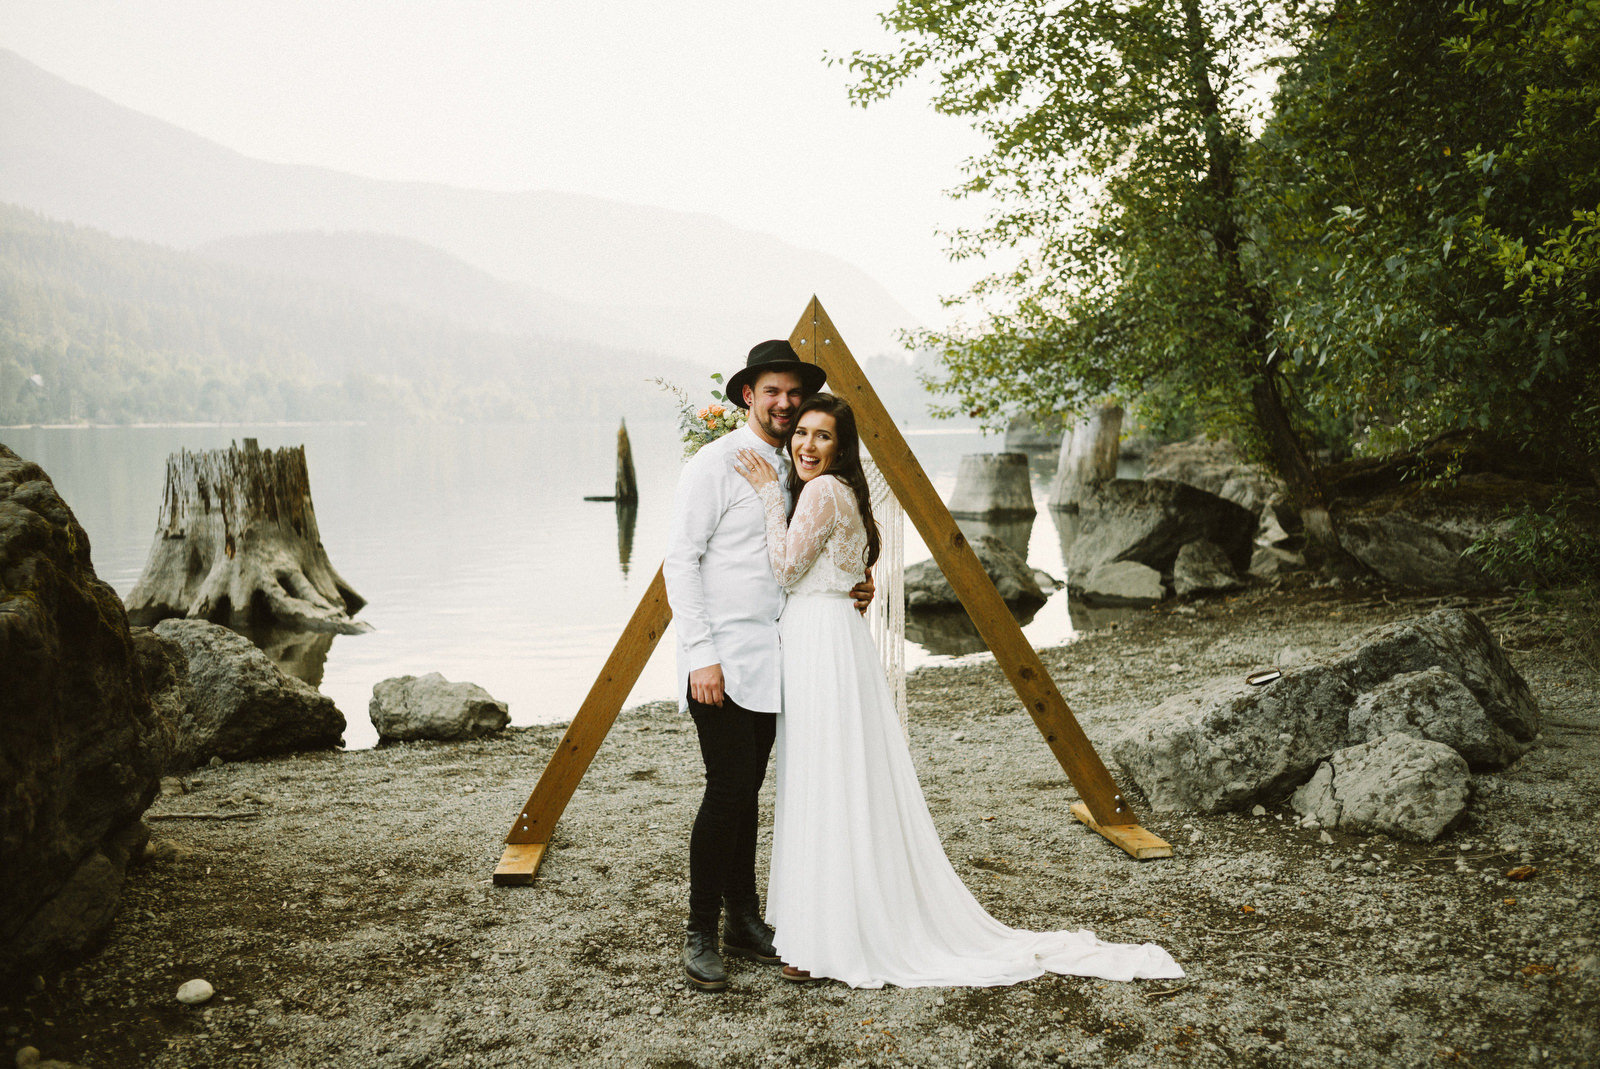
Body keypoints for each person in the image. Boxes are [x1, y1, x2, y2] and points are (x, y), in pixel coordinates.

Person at [733, 393, 1184, 988]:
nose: (805, 445)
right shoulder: (843, 495)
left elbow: (787, 570)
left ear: (841, 449)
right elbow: (845, 569)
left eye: (822, 437)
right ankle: (831, 925)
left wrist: (769, 494)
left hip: (820, 644)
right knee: (839, 779)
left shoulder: (817, 492)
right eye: (802, 434)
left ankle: (826, 938)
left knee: (822, 779)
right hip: (835, 639)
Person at [662, 340, 874, 992]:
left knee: (749, 791)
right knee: (727, 789)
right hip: (721, 661)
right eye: (772, 391)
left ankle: (743, 919)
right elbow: (681, 561)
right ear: (748, 395)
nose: (784, 404)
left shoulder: (794, 466)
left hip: (779, 661)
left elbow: (811, 548)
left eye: (793, 393)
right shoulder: (713, 466)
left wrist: (850, 586)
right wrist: (701, 656)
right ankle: (701, 931)